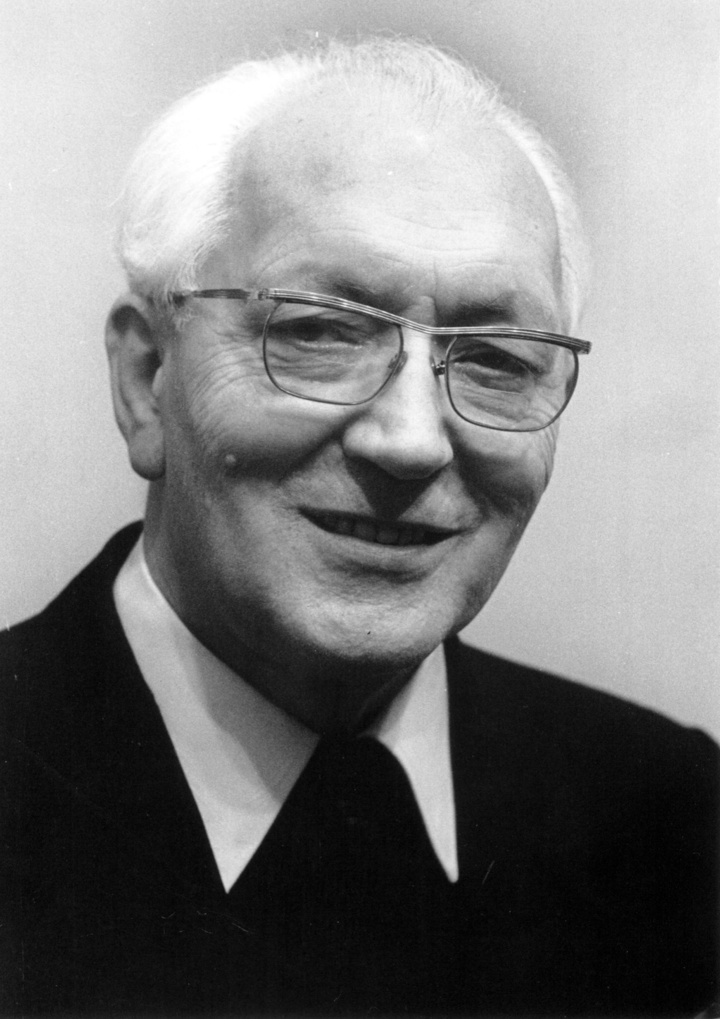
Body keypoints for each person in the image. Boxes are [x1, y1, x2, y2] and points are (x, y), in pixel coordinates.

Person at [0, 37, 716, 1018]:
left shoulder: (675, 816)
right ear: (145, 379)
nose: (411, 441)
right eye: (318, 330)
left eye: (497, 359)